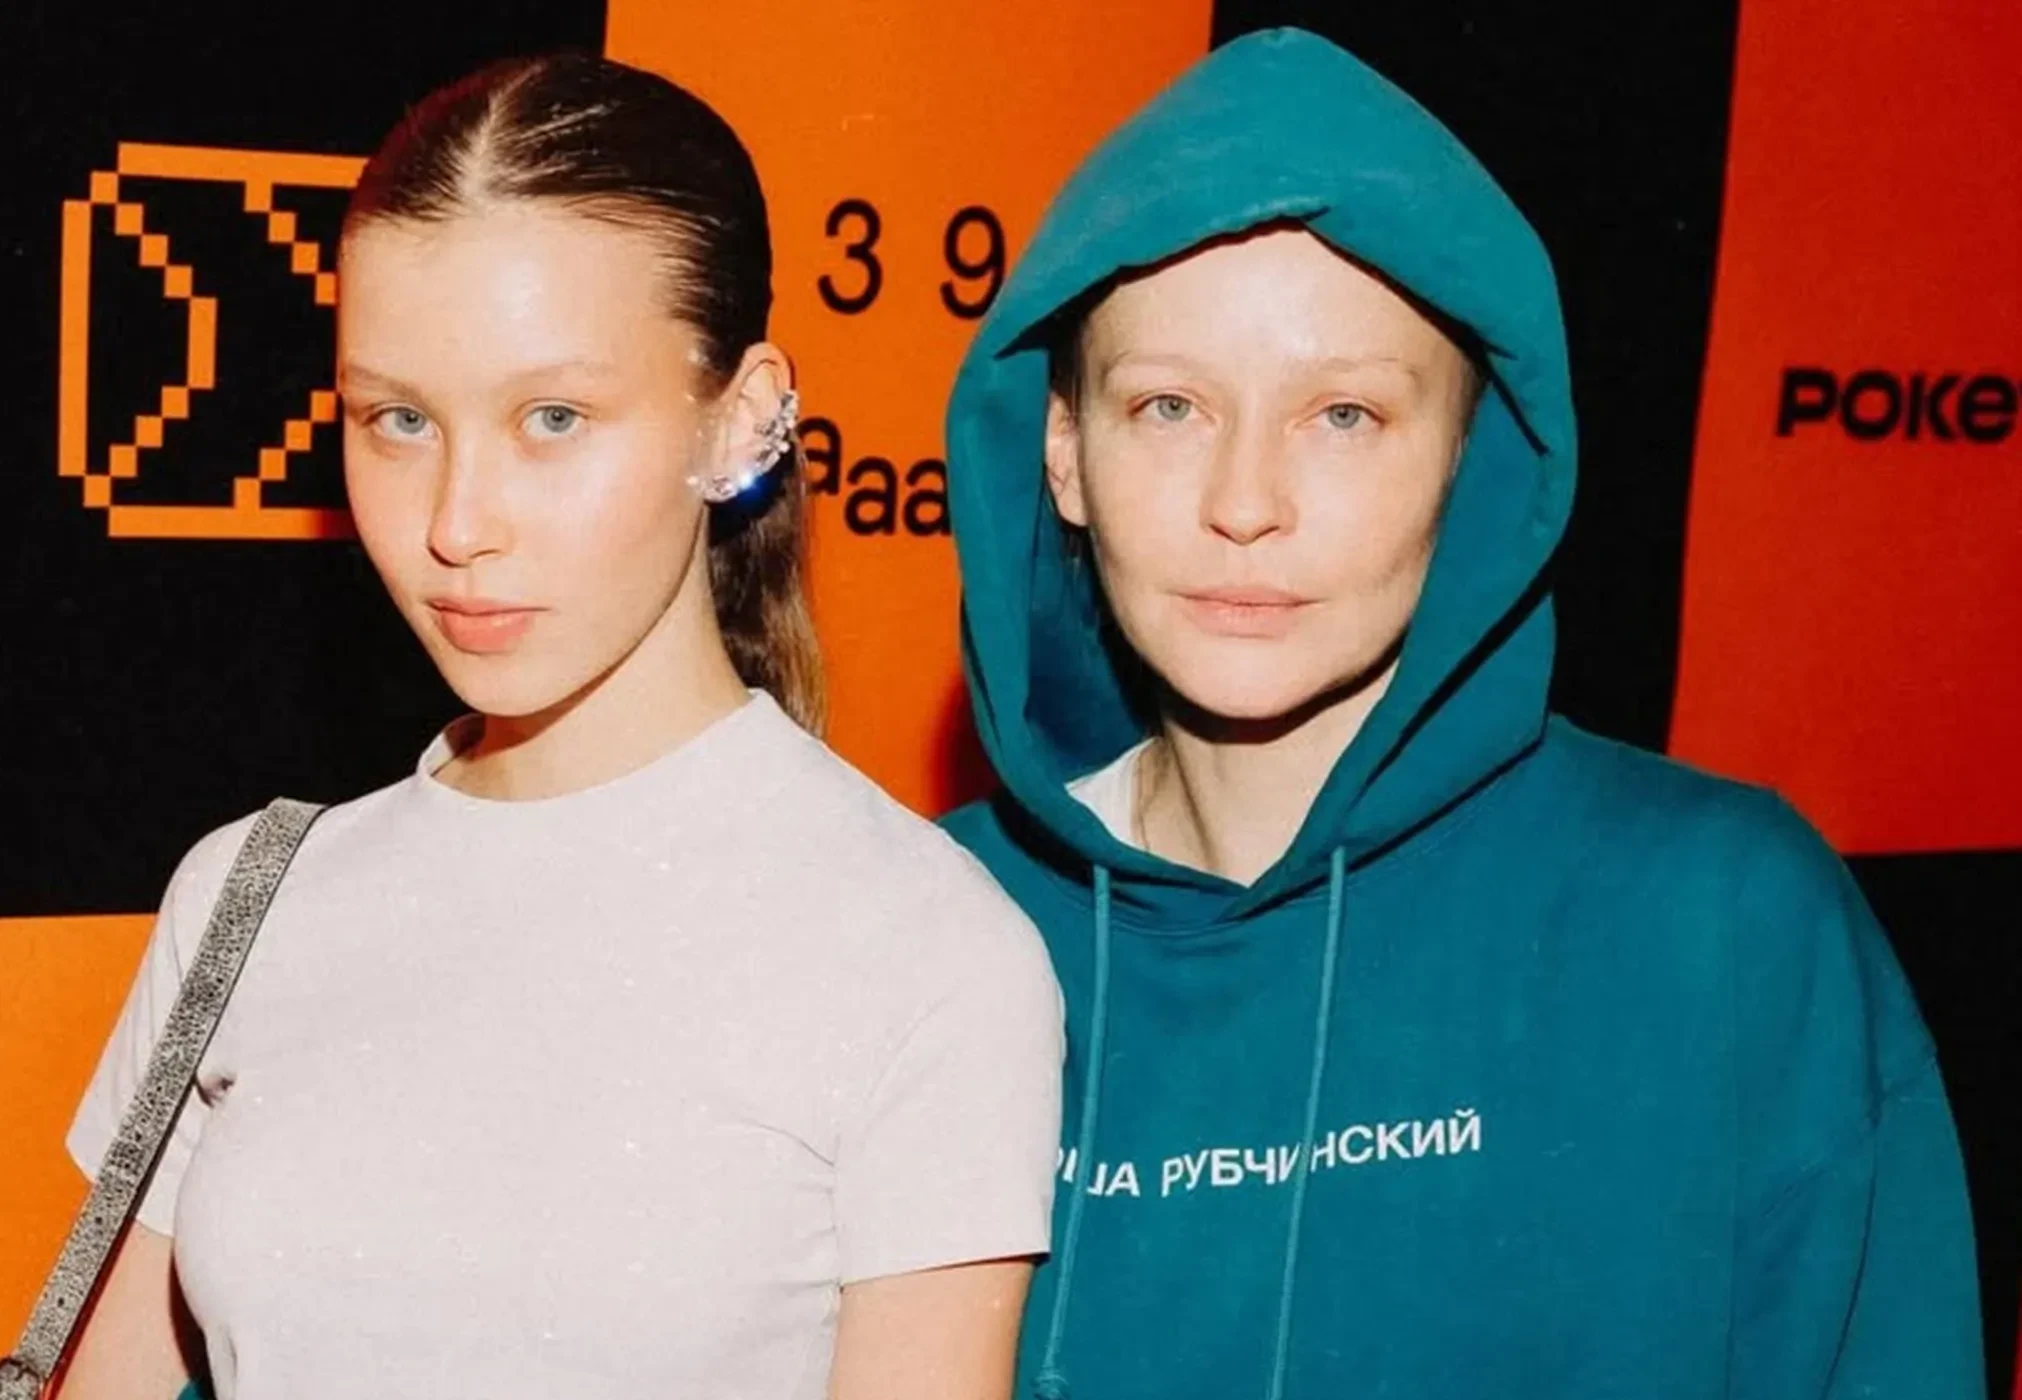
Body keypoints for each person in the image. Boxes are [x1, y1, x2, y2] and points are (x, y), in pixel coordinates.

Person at [940, 27, 1981, 1400]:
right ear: (1065, 454)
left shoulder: (1722, 921)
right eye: (1170, 405)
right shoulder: (925, 925)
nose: (1244, 503)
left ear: (1467, 458)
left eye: (1344, 416)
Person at [60, 53, 1060, 1400]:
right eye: (397, 419)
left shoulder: (924, 951)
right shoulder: (249, 894)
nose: (456, 522)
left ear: (743, 419)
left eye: (552, 418)